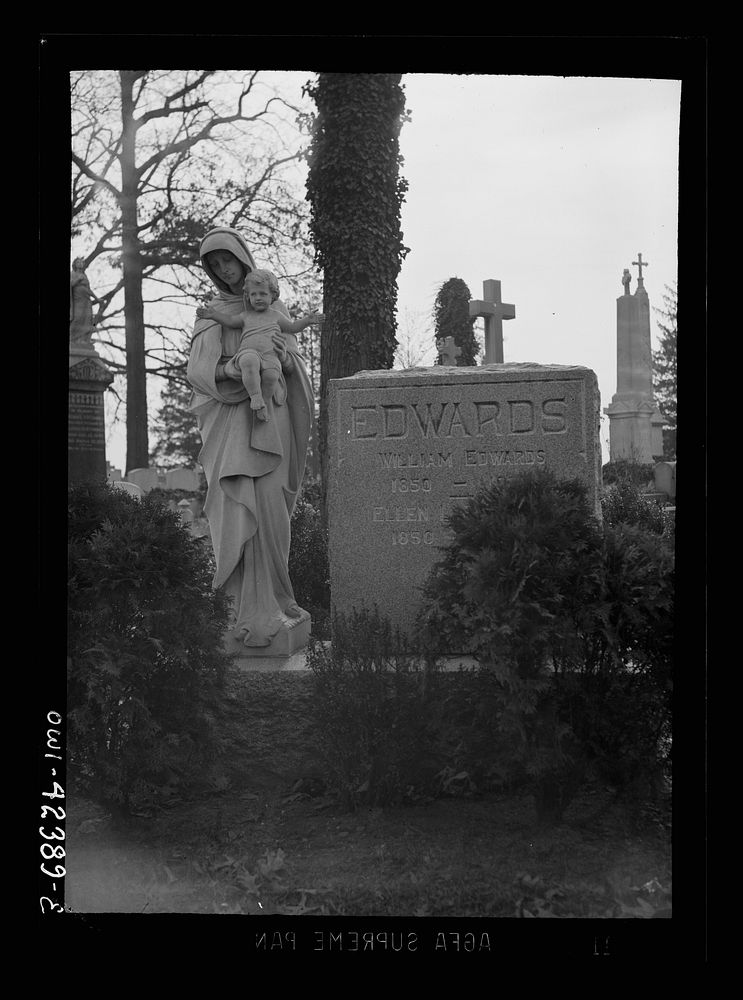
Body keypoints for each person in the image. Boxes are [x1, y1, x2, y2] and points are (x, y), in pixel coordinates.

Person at [187, 227, 315, 648]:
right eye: (215, 265)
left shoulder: (272, 307)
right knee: (236, 509)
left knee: (272, 510)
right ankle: (237, 608)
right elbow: (199, 372)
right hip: (230, 425)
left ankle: (278, 599)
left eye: (228, 260)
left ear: (243, 258)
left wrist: (282, 358)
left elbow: (295, 366)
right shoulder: (213, 313)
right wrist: (232, 371)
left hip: (270, 420)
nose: (225, 270)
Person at [196, 268, 323, 422]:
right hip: (248, 351)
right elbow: (229, 321)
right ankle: (255, 397)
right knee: (249, 362)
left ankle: (264, 403)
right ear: (248, 297)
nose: (258, 298)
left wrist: (308, 321)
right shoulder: (246, 316)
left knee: (271, 375)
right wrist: (213, 315)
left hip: (270, 355)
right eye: (253, 294)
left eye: (263, 294)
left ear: (273, 296)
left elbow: (293, 327)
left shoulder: (277, 316)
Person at [70, 257, 101, 344]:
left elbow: (88, 289)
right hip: (77, 300)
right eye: (78, 262)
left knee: (87, 318)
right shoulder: (72, 274)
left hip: (86, 300)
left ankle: (84, 339)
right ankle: (72, 338)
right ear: (74, 265)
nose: (80, 264)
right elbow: (71, 284)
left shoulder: (84, 275)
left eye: (81, 262)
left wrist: (97, 299)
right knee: (77, 318)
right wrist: (77, 280)